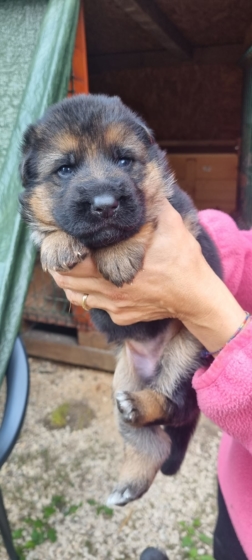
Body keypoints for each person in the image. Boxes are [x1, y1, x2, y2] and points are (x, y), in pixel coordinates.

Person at [50, 200, 252, 560]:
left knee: (167, 385)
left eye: (125, 159)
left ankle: (158, 422)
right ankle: (148, 446)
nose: (101, 197)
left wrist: (206, 307)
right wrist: (195, 254)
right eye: (64, 169)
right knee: (124, 386)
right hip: (239, 492)